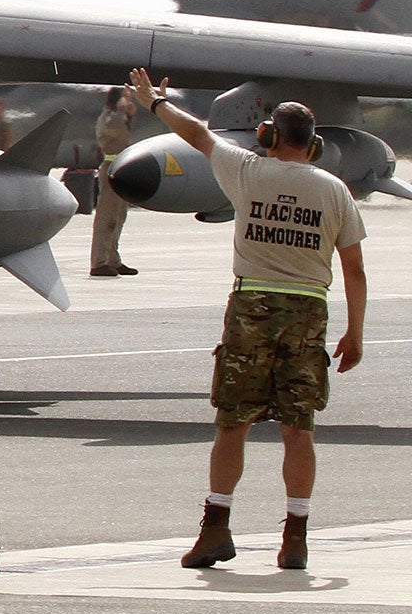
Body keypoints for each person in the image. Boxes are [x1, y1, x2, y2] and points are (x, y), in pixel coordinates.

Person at [128, 69, 367, 571]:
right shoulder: (333, 189)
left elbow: (197, 133)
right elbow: (355, 268)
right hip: (308, 313)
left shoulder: (247, 171)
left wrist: (156, 103)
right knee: (298, 429)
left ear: (268, 136)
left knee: (231, 424)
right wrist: (356, 332)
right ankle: (295, 538)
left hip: (251, 310)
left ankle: (215, 529)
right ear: (314, 143)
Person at [90, 86, 140, 277]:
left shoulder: (120, 116)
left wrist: (127, 112)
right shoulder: (109, 117)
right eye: (126, 97)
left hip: (121, 167)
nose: (129, 101)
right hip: (111, 168)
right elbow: (115, 130)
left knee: (119, 216)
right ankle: (98, 262)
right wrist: (122, 109)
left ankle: (113, 259)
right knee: (106, 217)